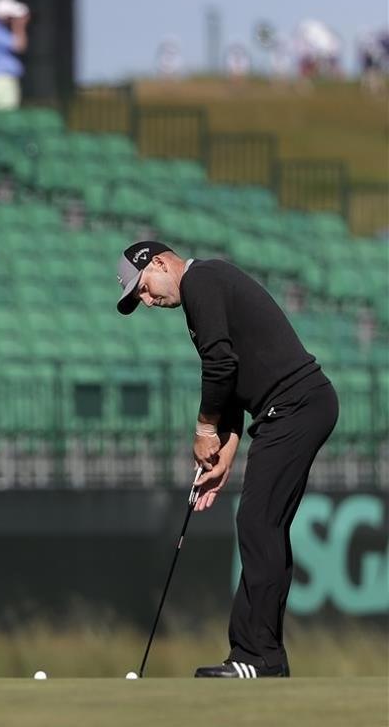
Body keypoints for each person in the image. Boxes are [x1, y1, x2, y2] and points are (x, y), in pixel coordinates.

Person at [115, 241, 338, 679]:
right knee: (264, 527)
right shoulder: (204, 288)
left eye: (143, 289)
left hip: (295, 407)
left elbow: (219, 365)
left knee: (258, 525)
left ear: (158, 263)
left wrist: (203, 432)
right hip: (293, 409)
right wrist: (227, 452)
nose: (148, 301)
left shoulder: (201, 281)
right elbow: (234, 381)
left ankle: (257, 657)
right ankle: (266, 657)